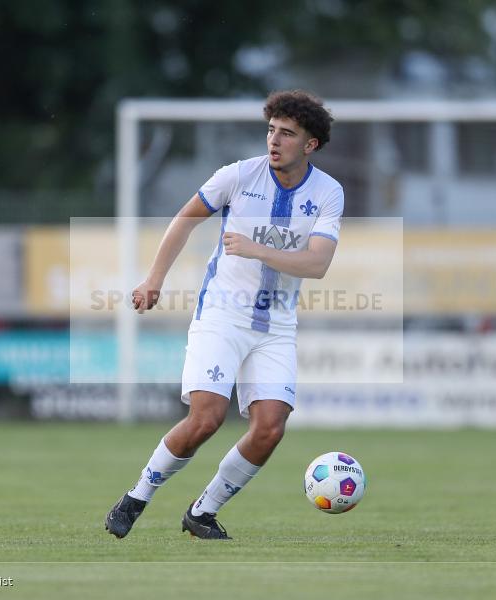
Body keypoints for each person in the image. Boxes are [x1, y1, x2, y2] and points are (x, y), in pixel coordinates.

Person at [105, 90, 344, 540]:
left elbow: (317, 264)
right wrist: (153, 279)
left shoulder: (328, 192)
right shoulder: (238, 176)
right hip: (221, 316)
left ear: (310, 145)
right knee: (206, 419)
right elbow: (185, 217)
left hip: (276, 327)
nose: (274, 140)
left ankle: (203, 511)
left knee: (270, 428)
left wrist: (257, 249)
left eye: (287, 134)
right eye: (271, 130)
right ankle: (137, 495)